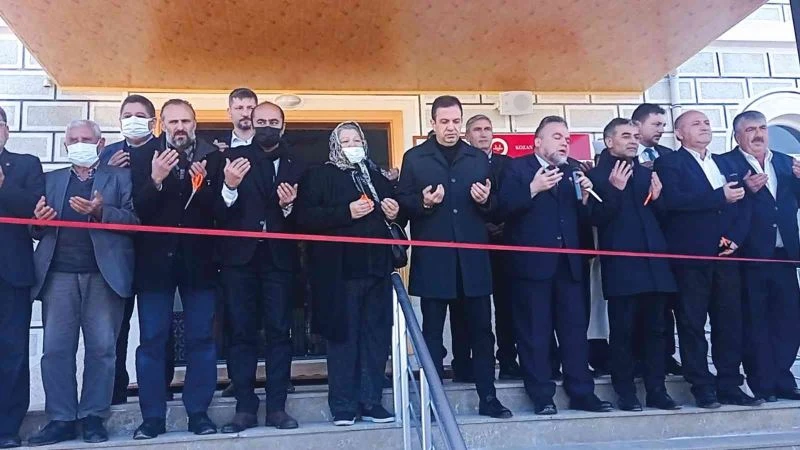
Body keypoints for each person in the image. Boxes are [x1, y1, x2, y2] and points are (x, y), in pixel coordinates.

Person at [396, 95, 511, 419]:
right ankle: (432, 402)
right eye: (444, 121)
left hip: (473, 261)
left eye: (456, 121)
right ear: (432, 123)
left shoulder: (477, 158)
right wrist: (424, 203)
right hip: (434, 262)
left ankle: (488, 397)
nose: (451, 127)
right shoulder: (415, 158)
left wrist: (486, 200)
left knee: (482, 333)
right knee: (432, 335)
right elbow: (401, 206)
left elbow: (497, 208)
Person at [27, 120, 139, 446]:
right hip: (58, 275)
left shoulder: (120, 178)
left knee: (102, 350)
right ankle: (61, 419)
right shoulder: (50, 179)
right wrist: (38, 222)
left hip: (103, 276)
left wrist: (102, 212)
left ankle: (93, 417)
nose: (79, 144)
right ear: (65, 145)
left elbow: (134, 221)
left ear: (100, 144)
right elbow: (34, 228)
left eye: (86, 139)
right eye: (73, 139)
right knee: (56, 350)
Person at [498, 116, 611, 415]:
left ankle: (582, 393)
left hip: (570, 265)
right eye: (557, 137)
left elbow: (589, 219)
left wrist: (587, 199)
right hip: (531, 265)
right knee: (535, 333)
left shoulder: (574, 169)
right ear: (538, 142)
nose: (564, 142)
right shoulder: (517, 168)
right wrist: (532, 189)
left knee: (574, 332)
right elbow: (501, 209)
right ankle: (541, 395)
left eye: (567, 138)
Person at [296, 121, 402, 426]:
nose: (352, 146)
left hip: (377, 270)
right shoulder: (320, 176)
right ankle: (343, 406)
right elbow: (304, 217)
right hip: (340, 273)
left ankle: (371, 402)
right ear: (335, 145)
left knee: (375, 338)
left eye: (357, 140)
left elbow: (397, 215)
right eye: (346, 141)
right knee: (343, 339)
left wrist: (395, 211)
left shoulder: (375, 177)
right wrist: (346, 212)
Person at [654, 110, 760, 408]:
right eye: (695, 124)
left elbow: (744, 205)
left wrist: (735, 238)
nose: (704, 127)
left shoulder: (726, 163)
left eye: (706, 123)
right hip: (690, 257)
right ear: (679, 133)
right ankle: (701, 386)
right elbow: (673, 202)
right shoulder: (670, 163)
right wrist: (718, 196)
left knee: (729, 322)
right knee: (692, 323)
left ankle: (730, 384)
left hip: (726, 255)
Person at [131, 99, 224, 439]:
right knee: (152, 340)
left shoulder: (214, 158)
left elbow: (221, 212)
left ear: (195, 124)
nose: (180, 127)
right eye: (173, 122)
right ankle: (152, 417)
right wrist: (155, 179)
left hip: (200, 262)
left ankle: (198, 413)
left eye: (186, 121)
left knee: (202, 339)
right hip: (155, 264)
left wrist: (209, 185)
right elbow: (137, 210)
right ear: (162, 125)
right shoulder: (144, 156)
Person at [217, 101, 303, 432]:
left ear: (283, 126)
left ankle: (277, 407)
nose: (268, 126)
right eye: (261, 121)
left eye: (274, 121)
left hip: (279, 260)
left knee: (280, 332)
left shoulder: (297, 162)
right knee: (241, 332)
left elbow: (308, 216)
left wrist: (289, 206)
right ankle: (244, 407)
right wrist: (229, 187)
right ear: (251, 124)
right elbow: (215, 213)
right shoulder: (232, 159)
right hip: (240, 260)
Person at [587, 118, 680, 411]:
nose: (633, 141)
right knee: (623, 333)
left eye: (635, 136)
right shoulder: (596, 176)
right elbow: (595, 219)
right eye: (625, 136)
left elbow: (663, 219)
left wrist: (659, 198)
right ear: (609, 141)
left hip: (655, 265)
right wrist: (615, 189)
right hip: (622, 268)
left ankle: (657, 391)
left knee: (656, 332)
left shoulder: (647, 173)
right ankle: (625, 393)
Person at [719, 111, 800, 402]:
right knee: (756, 322)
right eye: (750, 129)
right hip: (749, 255)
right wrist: (747, 190)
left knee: (789, 319)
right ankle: (763, 383)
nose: (758, 134)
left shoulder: (785, 162)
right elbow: (721, 208)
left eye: (762, 128)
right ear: (737, 135)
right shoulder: (725, 163)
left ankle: (782, 377)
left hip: (784, 253)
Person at [101, 94, 175, 406]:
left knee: (156, 328)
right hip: (115, 254)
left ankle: (160, 388)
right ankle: (115, 389)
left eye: (139, 115)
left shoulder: (165, 152)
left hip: (153, 254)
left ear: (153, 121)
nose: (133, 120)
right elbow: (96, 199)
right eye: (127, 115)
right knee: (115, 328)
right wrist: (106, 170)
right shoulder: (108, 153)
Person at [462, 114, 521, 380]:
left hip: (505, 246)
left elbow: (514, 200)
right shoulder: (460, 164)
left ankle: (508, 360)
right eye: (477, 129)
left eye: (487, 129)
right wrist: (484, 227)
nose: (484, 134)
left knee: (507, 307)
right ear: (467, 135)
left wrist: (502, 226)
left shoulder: (507, 164)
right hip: (473, 245)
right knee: (473, 310)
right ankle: (470, 363)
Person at [0, 105, 45, 449]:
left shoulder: (26, 164)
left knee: (12, 352)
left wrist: (2, 185)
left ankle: (7, 427)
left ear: (6, 130)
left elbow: (34, 210)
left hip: (11, 273)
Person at [630, 103, 681, 377]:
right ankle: (637, 358)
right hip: (632, 246)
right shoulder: (620, 157)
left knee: (664, 306)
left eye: (663, 125)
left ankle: (666, 356)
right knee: (636, 307)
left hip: (664, 241)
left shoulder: (669, 157)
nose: (661, 130)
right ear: (637, 125)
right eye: (656, 124)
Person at [213, 87, 258, 152]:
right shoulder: (216, 145)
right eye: (239, 108)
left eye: (250, 108)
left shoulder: (268, 142)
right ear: (229, 112)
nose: (245, 114)